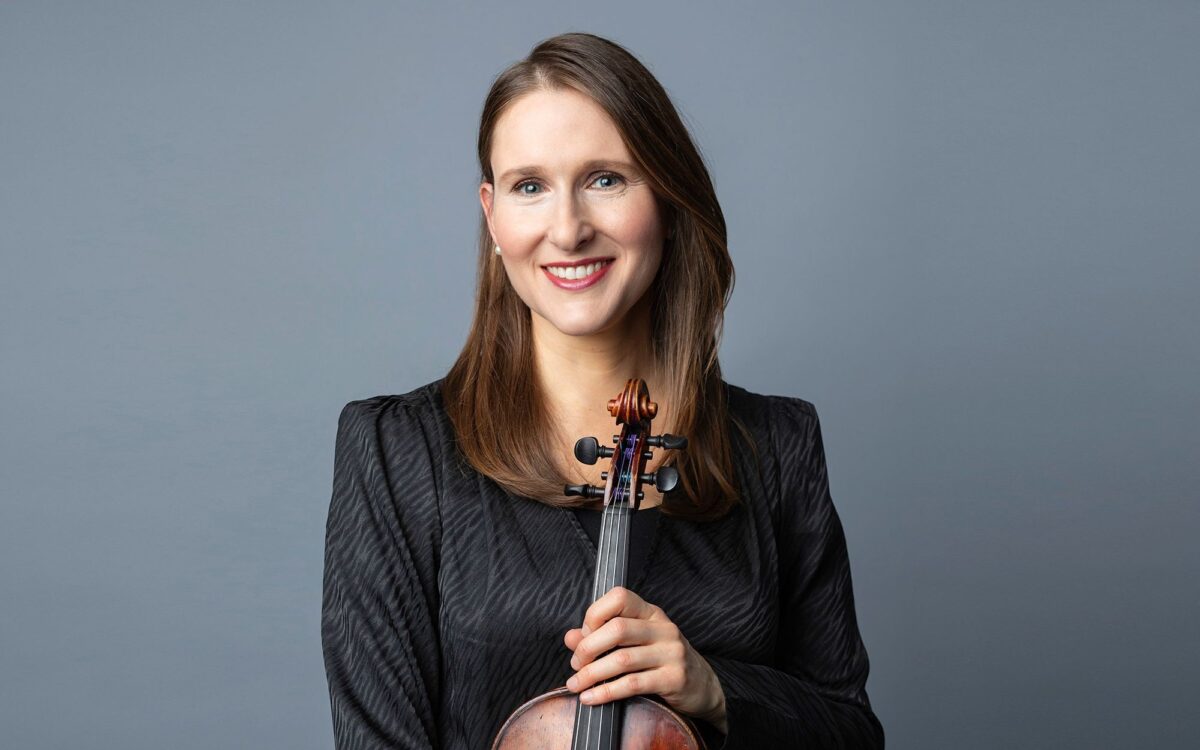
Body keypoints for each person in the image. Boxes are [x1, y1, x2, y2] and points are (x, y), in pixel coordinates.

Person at [321, 32, 884, 749]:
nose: (568, 228)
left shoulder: (776, 446)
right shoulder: (398, 452)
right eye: (530, 187)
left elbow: (853, 735)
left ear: (669, 199)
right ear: (492, 216)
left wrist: (715, 687)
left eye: (606, 179)